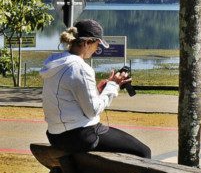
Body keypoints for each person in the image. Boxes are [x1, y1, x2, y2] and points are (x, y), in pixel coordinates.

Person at [41, 19, 151, 159]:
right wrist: (113, 85)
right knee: (144, 152)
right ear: (87, 43)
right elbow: (93, 110)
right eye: (97, 44)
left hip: (55, 135)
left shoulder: (56, 63)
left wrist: (98, 90)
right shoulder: (80, 68)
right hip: (81, 135)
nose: (97, 49)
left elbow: (68, 97)